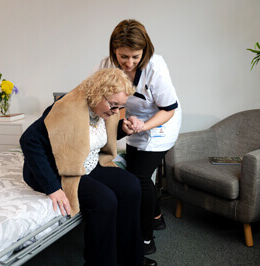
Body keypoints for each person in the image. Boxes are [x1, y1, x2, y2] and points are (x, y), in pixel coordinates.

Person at [19, 68, 157, 266]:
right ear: (97, 93)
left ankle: (130, 259)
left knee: (131, 185)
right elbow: (29, 140)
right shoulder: (65, 108)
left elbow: (92, 137)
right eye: (113, 105)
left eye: (121, 106)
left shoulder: (102, 111)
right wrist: (53, 187)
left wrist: (122, 128)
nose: (116, 111)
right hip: (54, 169)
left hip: (84, 163)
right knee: (105, 201)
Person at [93, 19, 182, 255]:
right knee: (135, 170)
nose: (129, 63)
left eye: (135, 56)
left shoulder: (156, 67)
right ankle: (156, 217)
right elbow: (100, 97)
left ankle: (145, 239)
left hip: (161, 122)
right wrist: (123, 122)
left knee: (139, 178)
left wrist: (143, 126)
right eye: (124, 56)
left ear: (145, 51)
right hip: (134, 122)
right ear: (114, 50)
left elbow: (169, 108)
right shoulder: (106, 65)